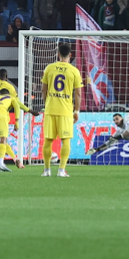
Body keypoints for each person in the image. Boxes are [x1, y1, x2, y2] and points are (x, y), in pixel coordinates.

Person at [40, 43, 83, 177]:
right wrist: (77, 111)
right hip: (65, 110)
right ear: (70, 55)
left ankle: (47, 170)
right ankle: (61, 170)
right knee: (66, 141)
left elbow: (43, 89)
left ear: (58, 54)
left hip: (50, 108)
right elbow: (78, 94)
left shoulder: (49, 68)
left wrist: (47, 103)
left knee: (48, 141)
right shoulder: (74, 71)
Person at [0, 69, 40, 168]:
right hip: (2, 113)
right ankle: (1, 163)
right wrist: (29, 111)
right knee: (2, 139)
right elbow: (16, 103)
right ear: (7, 78)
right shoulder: (10, 87)